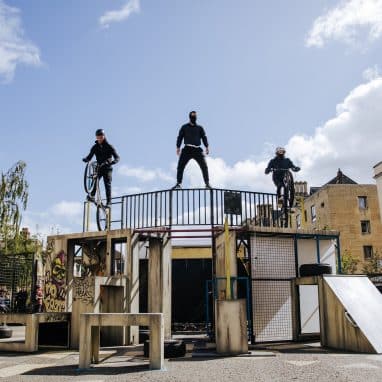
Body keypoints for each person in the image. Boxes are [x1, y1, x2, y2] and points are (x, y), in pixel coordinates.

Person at [172, 111, 211, 189]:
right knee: (180, 166)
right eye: (192, 116)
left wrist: (207, 146)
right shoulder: (184, 127)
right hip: (187, 149)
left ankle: (207, 183)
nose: (194, 118)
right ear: (190, 117)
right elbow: (180, 137)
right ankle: (179, 183)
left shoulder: (200, 128)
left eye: (195, 116)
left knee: (204, 166)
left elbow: (204, 137)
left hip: (197, 150)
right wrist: (178, 147)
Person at [82, 129, 120, 208]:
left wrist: (112, 162)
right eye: (98, 137)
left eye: (101, 136)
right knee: (95, 179)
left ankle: (109, 202)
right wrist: (86, 159)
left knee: (107, 184)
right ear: (96, 137)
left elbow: (117, 157)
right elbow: (90, 156)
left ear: (104, 136)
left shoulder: (109, 146)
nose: (99, 138)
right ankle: (92, 195)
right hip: (99, 167)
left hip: (107, 168)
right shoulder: (95, 147)